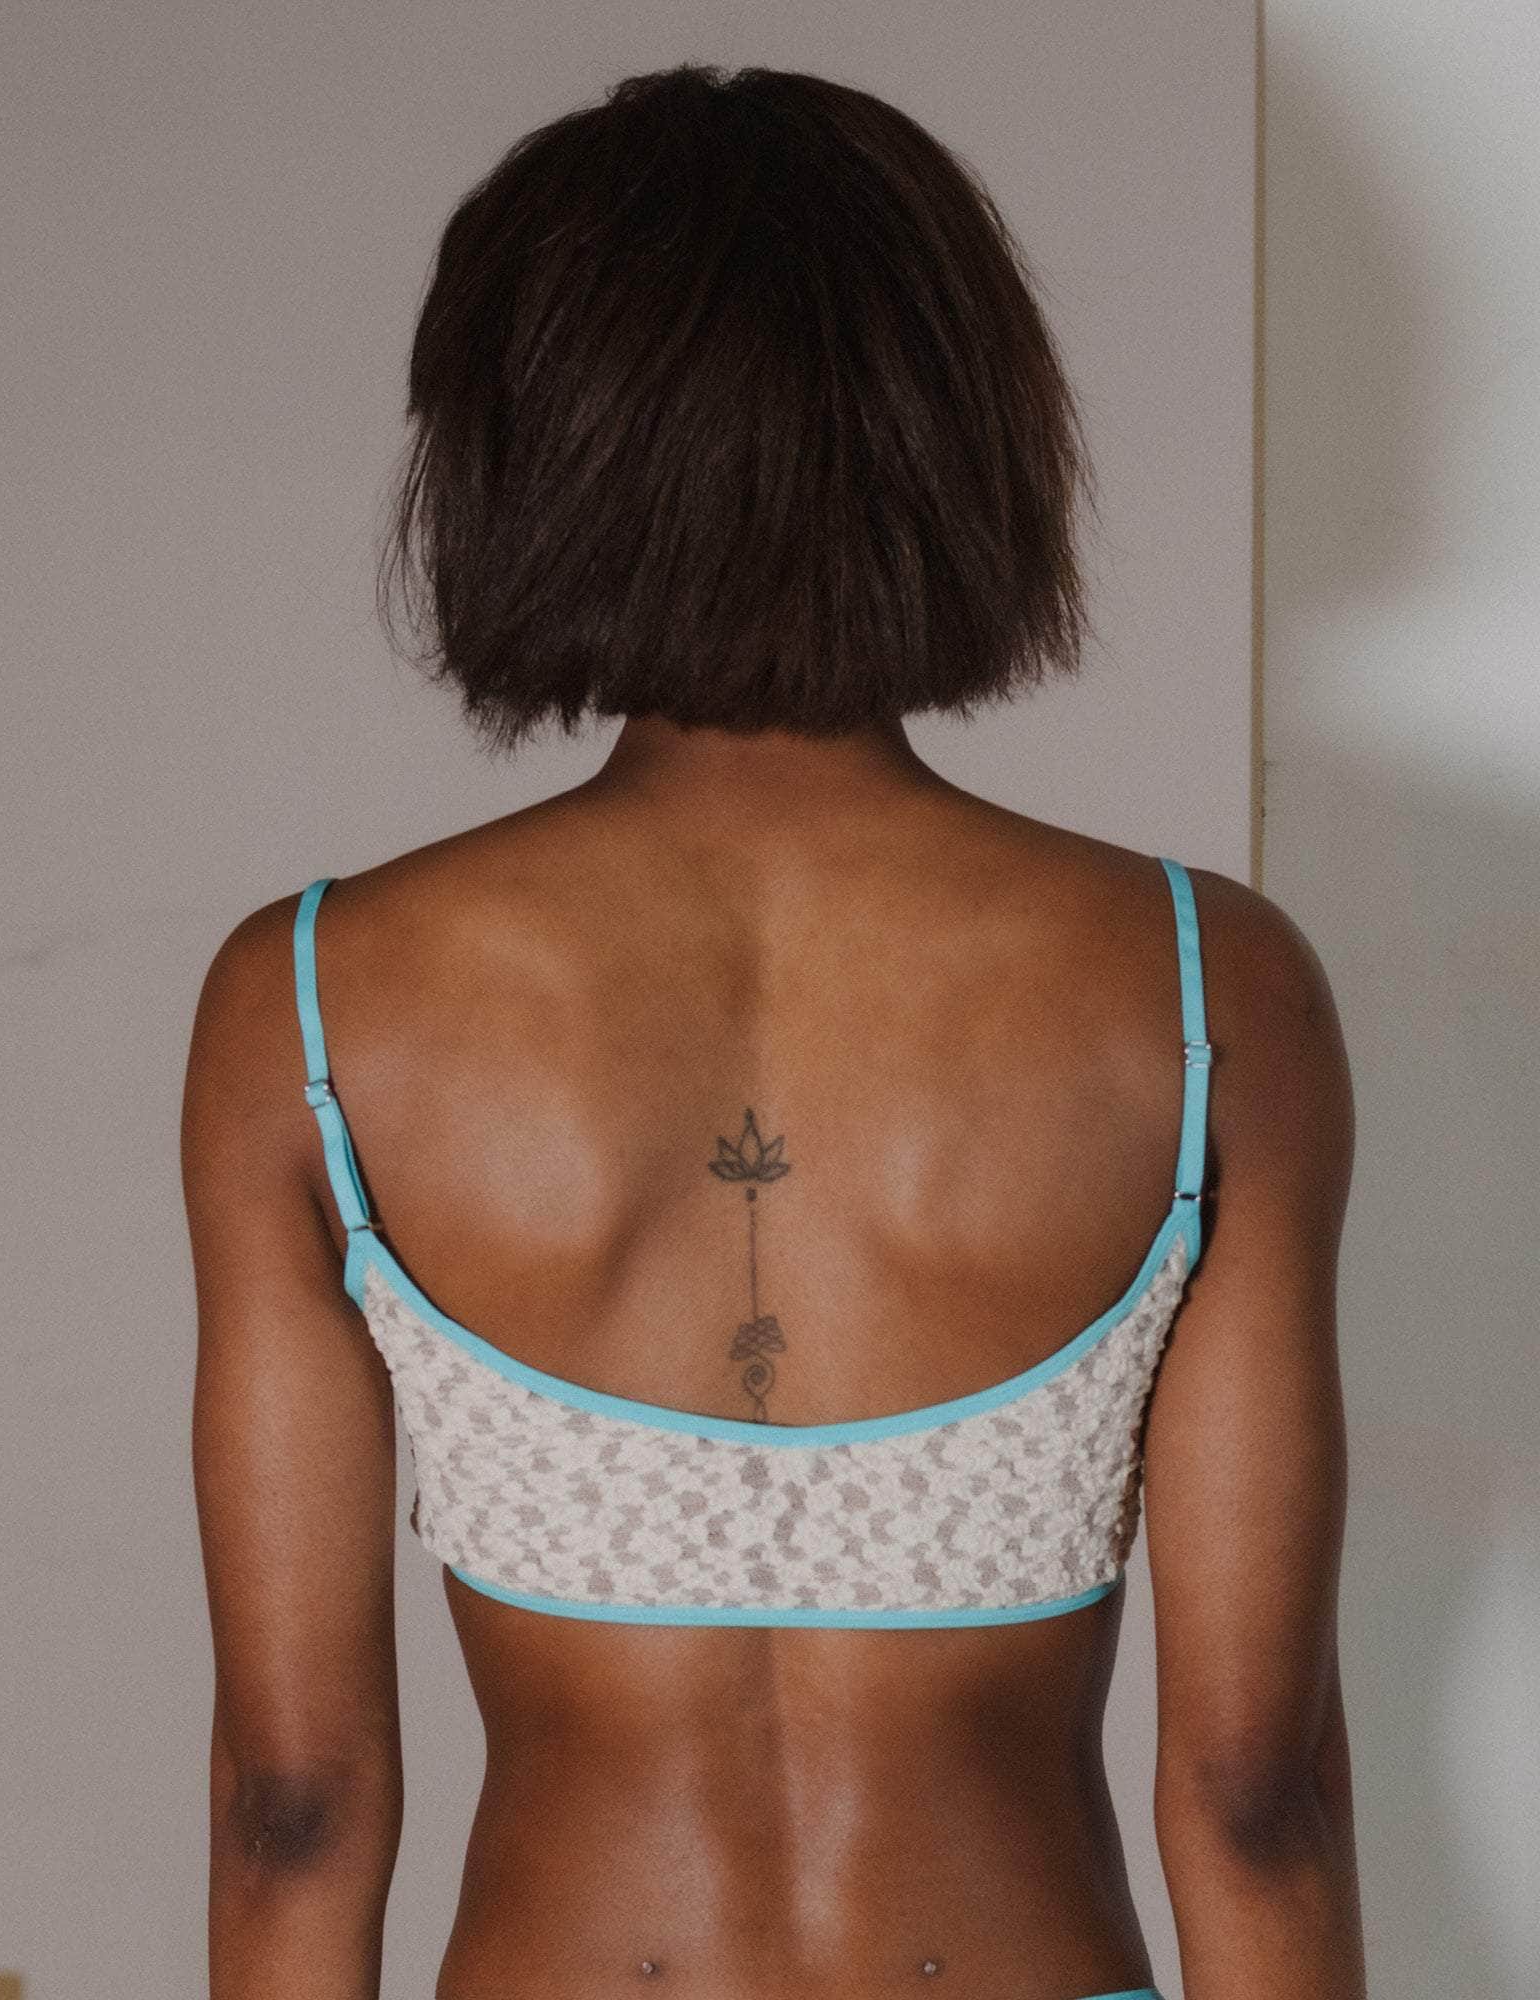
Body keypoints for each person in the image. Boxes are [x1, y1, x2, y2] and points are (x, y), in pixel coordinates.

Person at [181, 62, 1364, 2000]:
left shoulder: (309, 1002)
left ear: (520, 449)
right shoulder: (1206, 986)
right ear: (952, 437)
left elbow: (291, 1807)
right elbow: (1253, 1794)